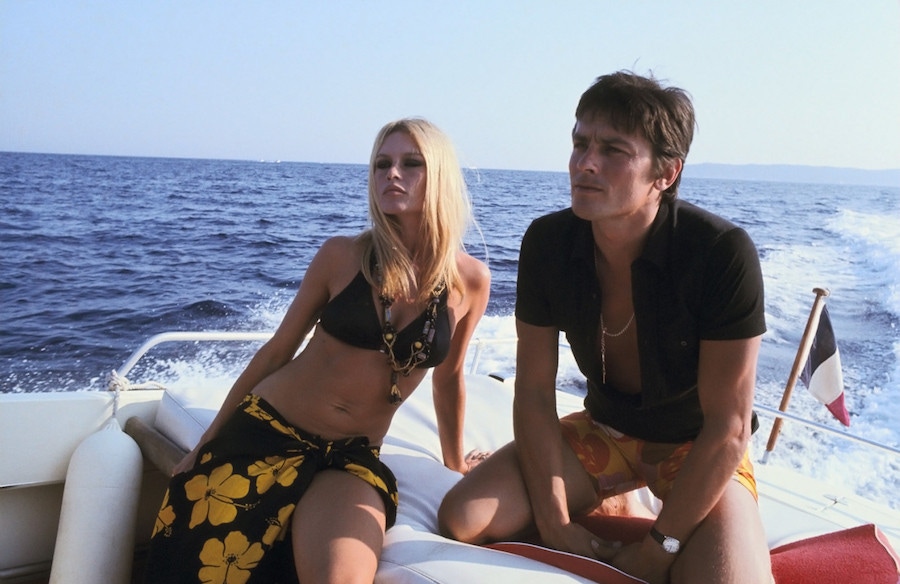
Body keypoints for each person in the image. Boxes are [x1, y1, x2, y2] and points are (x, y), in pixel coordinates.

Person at [438, 71, 772, 584]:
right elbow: (531, 393)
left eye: (614, 150)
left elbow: (727, 430)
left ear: (665, 173)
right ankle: (613, 499)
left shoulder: (720, 254)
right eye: (579, 143)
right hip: (605, 432)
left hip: (693, 446)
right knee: (463, 518)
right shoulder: (549, 243)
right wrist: (554, 522)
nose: (585, 163)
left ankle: (643, 512)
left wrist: (658, 551)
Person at [143, 118, 491, 584]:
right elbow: (277, 352)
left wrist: (454, 464)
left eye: (412, 163)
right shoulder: (342, 256)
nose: (392, 174)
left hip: (350, 457)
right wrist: (208, 441)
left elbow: (448, 379)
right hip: (266, 430)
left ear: (442, 177)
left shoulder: (470, 282)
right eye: (381, 164)